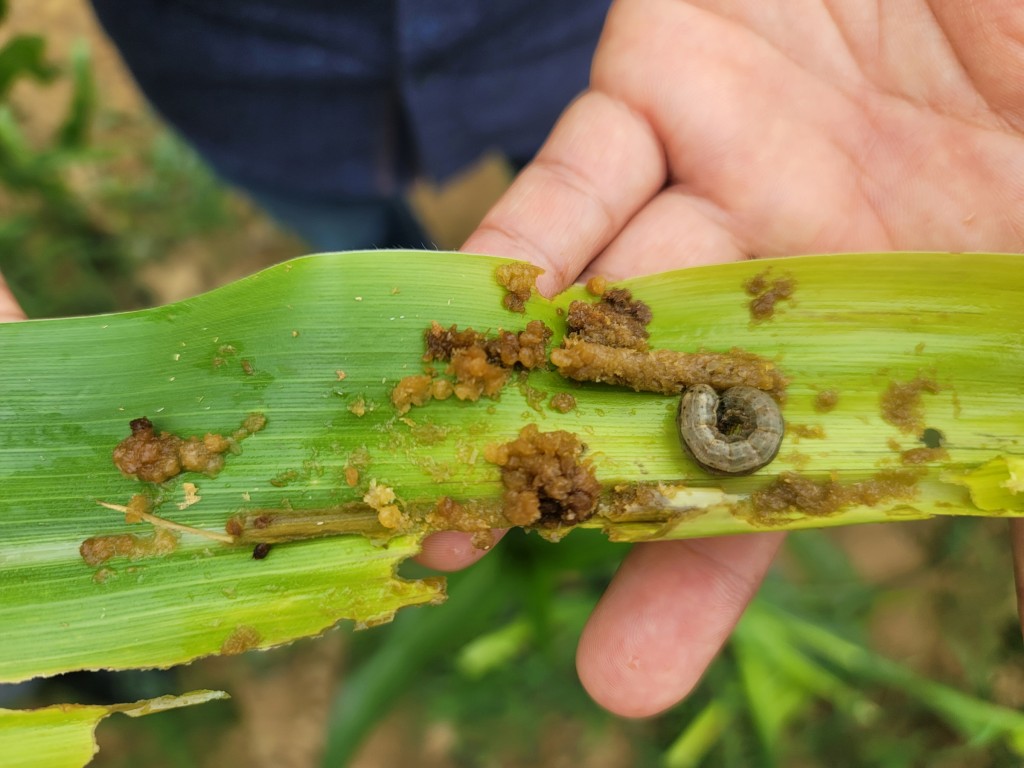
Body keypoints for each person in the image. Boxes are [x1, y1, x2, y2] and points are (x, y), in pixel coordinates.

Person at [3, 0, 1024, 719]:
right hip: (257, 78)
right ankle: (376, 227)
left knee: (558, 228)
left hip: (580, 40)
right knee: (356, 227)